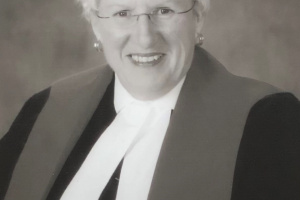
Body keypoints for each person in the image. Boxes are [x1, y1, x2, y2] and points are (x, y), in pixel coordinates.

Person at [0, 0, 300, 199]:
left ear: (197, 19)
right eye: (123, 13)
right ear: (95, 24)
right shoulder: (45, 110)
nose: (145, 37)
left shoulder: (268, 122)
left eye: (163, 10)